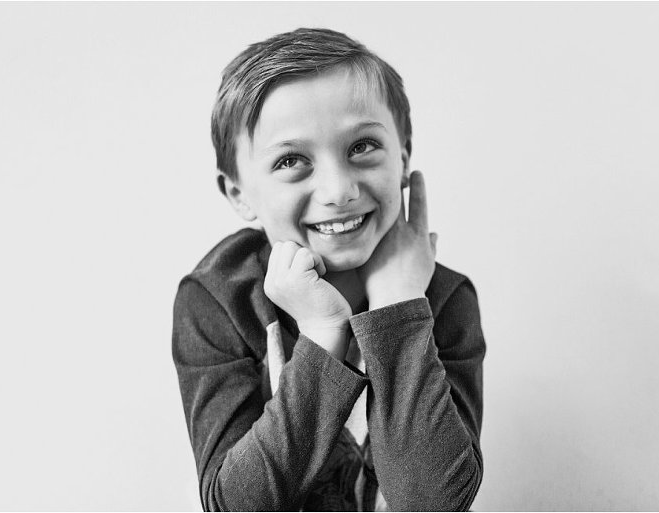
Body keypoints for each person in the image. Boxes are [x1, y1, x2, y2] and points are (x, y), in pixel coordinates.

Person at [172, 27, 486, 512]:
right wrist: (322, 333)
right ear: (239, 193)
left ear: (403, 158)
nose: (338, 189)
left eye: (362, 147)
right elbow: (235, 506)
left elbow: (432, 503)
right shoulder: (217, 300)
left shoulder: (443, 298)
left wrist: (398, 309)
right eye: (292, 160)